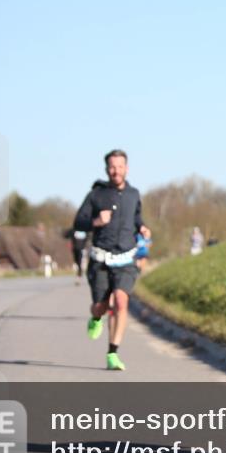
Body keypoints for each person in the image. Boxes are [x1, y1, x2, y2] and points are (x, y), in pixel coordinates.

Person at [73, 149, 152, 371]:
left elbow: (136, 217)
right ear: (107, 169)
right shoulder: (96, 195)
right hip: (101, 259)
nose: (116, 171)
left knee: (120, 300)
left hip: (126, 258)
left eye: (120, 166)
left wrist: (142, 227)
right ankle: (96, 317)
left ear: (126, 168)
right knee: (100, 306)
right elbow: (78, 222)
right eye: (112, 167)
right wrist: (96, 221)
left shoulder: (134, 194)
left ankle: (113, 353)